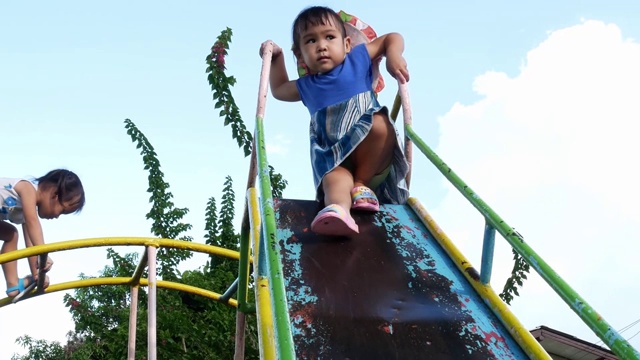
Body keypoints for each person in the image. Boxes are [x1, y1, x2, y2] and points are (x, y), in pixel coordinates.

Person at [259, 6, 410, 236]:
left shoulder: (357, 61)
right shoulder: (307, 86)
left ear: (347, 45)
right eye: (310, 41)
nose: (321, 45)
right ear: (300, 56)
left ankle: (361, 184)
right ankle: (339, 211)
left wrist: (393, 55)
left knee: (380, 123)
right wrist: (277, 58)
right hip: (334, 159)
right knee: (333, 180)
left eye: (330, 37)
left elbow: (391, 38)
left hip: (371, 157)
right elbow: (279, 89)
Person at [1, 169, 85, 298]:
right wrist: (43, 253)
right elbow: (32, 221)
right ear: (55, 195)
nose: (57, 216)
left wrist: (38, 275)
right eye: (61, 210)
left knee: (11, 234)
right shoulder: (27, 188)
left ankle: (13, 284)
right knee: (12, 233)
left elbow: (31, 246)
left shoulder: (26, 210)